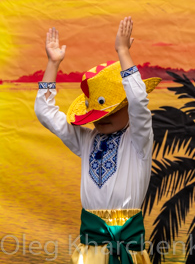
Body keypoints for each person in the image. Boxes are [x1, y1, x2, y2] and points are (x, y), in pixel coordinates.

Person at [34, 17, 161, 264]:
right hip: (91, 250)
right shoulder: (86, 140)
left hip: (128, 252)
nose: (103, 119)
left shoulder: (139, 141)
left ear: (126, 107)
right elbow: (45, 113)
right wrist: (53, 64)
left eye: (112, 111)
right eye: (98, 114)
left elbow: (139, 102)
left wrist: (123, 52)